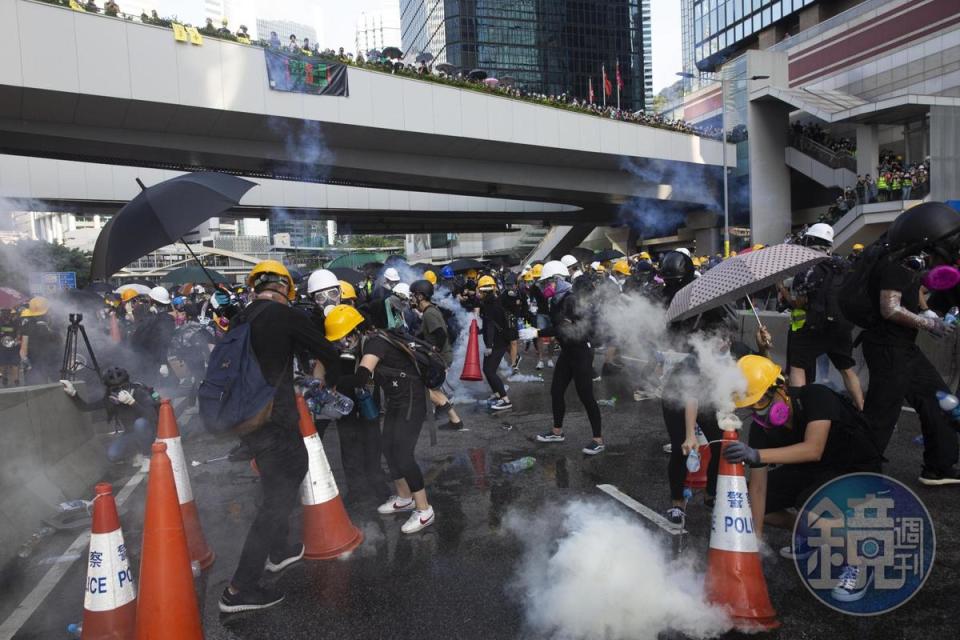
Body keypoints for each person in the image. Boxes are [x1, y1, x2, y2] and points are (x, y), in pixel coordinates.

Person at [219, 260, 341, 613]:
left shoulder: (240, 319)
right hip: (277, 421)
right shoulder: (284, 315)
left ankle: (281, 551)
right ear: (286, 289)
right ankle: (238, 589)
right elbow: (329, 352)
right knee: (277, 498)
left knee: (276, 484)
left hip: (247, 422)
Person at [727, 355, 882, 598]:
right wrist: (754, 542)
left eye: (762, 401)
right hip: (813, 470)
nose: (760, 411)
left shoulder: (816, 396)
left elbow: (814, 449)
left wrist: (757, 454)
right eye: (752, 405)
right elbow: (758, 489)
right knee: (745, 503)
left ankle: (858, 562)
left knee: (813, 509)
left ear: (781, 387)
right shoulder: (761, 428)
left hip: (856, 469)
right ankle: (811, 535)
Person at [860, 202, 960, 485]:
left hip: (901, 347)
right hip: (888, 347)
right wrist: (929, 323)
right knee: (882, 413)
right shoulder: (896, 260)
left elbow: (911, 290)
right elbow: (889, 308)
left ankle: (939, 466)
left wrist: (926, 309)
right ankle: (859, 472)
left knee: (938, 399)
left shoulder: (908, 258)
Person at [325, 305, 436, 534]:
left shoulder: (375, 343)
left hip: (412, 400)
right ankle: (404, 497)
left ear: (356, 330)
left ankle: (424, 509)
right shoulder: (368, 341)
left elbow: (361, 378)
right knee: (387, 446)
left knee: (403, 454)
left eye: (344, 339)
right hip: (397, 400)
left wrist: (331, 386)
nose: (343, 345)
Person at [779, 224, 864, 409]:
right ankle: (862, 409)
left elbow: (798, 303)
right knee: (847, 370)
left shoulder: (808, 268)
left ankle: (800, 410)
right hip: (841, 327)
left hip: (814, 327)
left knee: (798, 366)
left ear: (809, 241)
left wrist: (782, 290)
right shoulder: (844, 265)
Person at [535, 261, 605, 454]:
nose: (545, 286)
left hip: (581, 352)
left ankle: (597, 439)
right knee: (556, 391)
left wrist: (538, 333)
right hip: (567, 352)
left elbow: (564, 328)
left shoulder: (571, 300)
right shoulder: (557, 300)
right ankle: (557, 431)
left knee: (586, 397)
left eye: (548, 282)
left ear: (557, 280)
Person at [62, 367, 159, 464]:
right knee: (113, 455)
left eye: (124, 387)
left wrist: (132, 402)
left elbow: (151, 416)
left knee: (140, 423)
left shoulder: (139, 392)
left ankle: (147, 456)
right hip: (131, 434)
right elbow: (85, 407)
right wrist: (73, 394)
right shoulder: (110, 400)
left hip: (150, 432)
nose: (120, 391)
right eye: (116, 389)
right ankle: (137, 452)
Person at [410, 279, 464, 430]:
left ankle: (444, 411)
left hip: (440, 358)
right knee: (434, 390)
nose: (411, 299)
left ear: (420, 297)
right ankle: (455, 420)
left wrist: (434, 352)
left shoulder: (429, 314)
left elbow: (440, 335)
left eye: (413, 296)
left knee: (425, 388)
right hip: (441, 356)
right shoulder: (430, 311)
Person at [477, 275, 513, 411]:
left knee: (490, 371)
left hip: (497, 343)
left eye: (480, 290)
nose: (478, 293)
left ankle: (505, 399)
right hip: (497, 341)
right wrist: (480, 331)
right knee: (487, 370)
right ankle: (497, 394)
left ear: (484, 291)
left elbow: (491, 325)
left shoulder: (490, 305)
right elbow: (489, 324)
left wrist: (489, 346)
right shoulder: (491, 302)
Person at [19, 297, 61, 385]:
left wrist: (25, 361)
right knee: (58, 388)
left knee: (37, 390)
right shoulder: (54, 324)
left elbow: (23, 349)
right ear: (48, 310)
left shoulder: (27, 325)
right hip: (54, 361)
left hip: (35, 363)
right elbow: (61, 342)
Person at [0, 308, 22, 386]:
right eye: (4, 312)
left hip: (13, 346)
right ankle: (4, 378)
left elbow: (18, 333)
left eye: (8, 312)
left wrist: (17, 339)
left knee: (15, 363)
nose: (6, 314)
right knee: (3, 364)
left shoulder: (15, 322)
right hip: (2, 347)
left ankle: (16, 381)